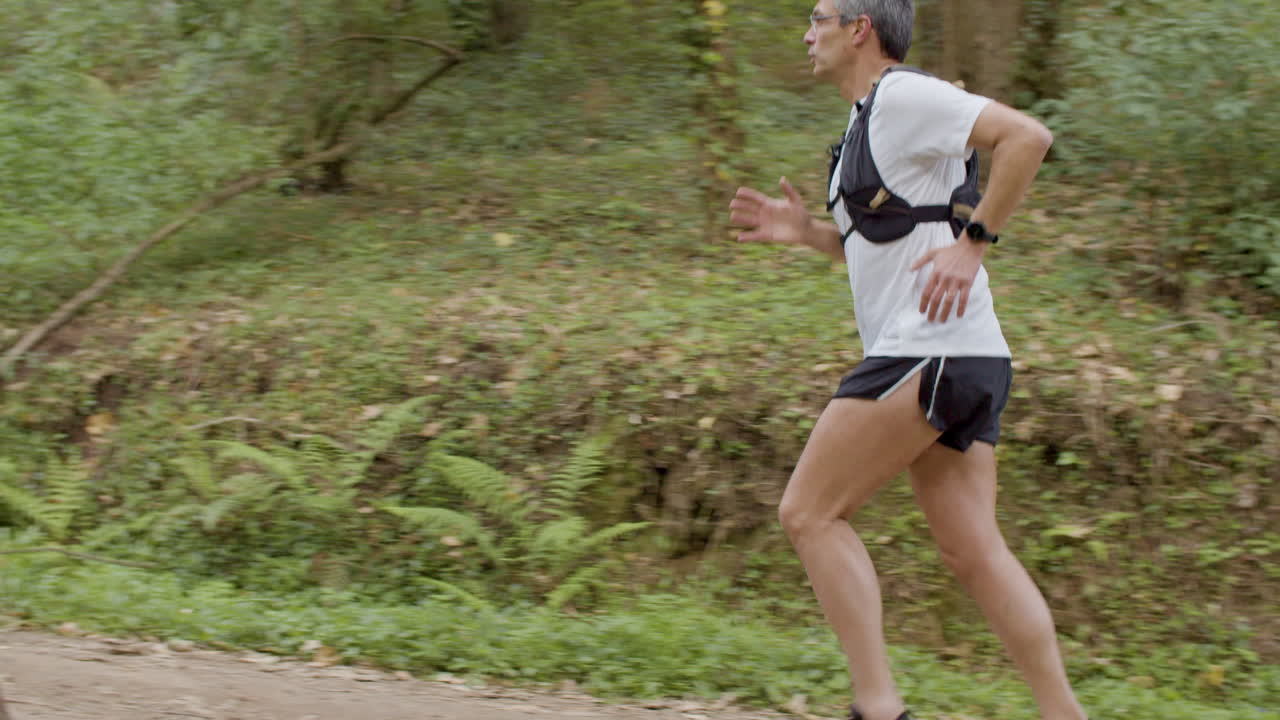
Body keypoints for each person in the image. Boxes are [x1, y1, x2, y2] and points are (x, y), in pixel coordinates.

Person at [728, 2, 1088, 720]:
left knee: (809, 513)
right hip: (968, 355)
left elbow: (1028, 137)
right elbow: (886, 242)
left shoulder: (903, 96)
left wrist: (976, 241)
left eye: (818, 16)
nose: (807, 32)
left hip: (929, 347)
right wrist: (808, 234)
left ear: (860, 27)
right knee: (974, 554)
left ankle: (879, 708)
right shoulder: (868, 123)